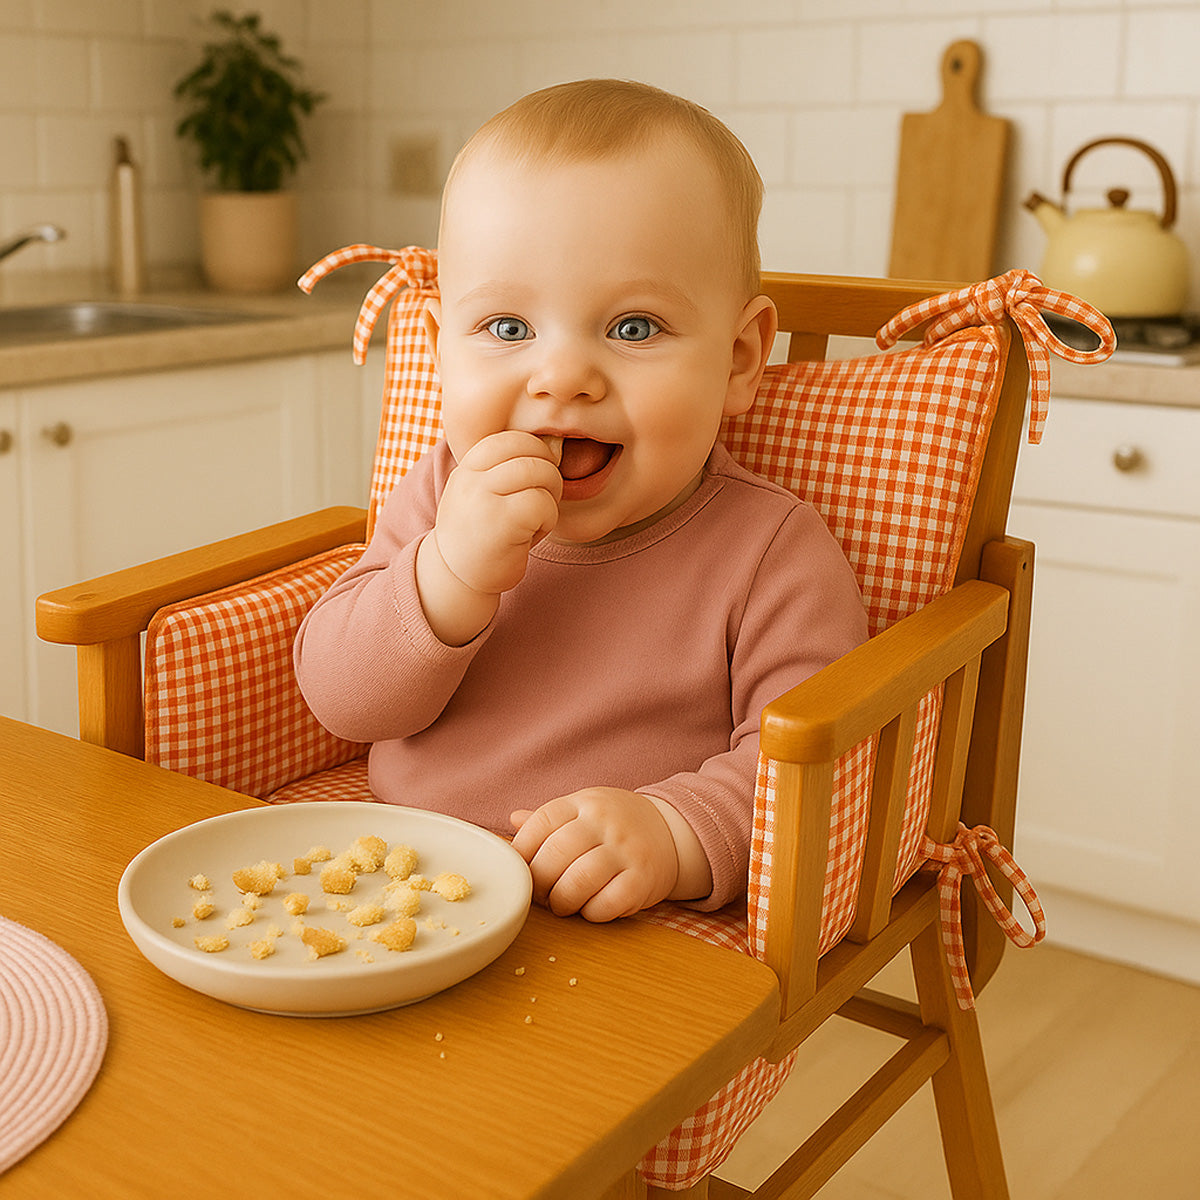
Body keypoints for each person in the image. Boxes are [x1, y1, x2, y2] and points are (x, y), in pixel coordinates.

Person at [294, 78, 868, 923]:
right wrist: (447, 577)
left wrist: (672, 834)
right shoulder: (446, 491)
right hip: (400, 878)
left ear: (740, 359)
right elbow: (344, 702)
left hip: (616, 918)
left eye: (633, 327)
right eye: (508, 329)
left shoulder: (770, 549)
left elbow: (810, 765)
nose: (561, 378)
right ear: (439, 349)